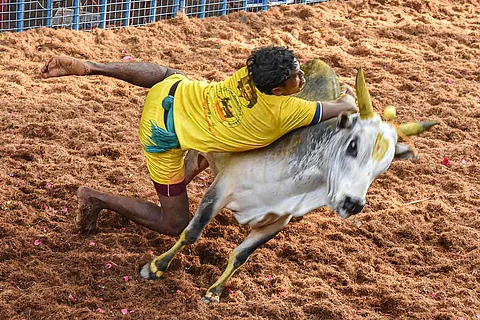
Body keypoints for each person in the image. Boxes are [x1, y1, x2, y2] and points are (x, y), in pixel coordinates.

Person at [41, 46, 357, 236]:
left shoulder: (252, 73)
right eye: (296, 77)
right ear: (276, 90)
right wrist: (349, 95)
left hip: (181, 94)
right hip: (160, 134)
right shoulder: (283, 112)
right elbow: (346, 105)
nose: (301, 79)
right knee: (175, 223)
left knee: (169, 73)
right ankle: (95, 198)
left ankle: (95, 67)